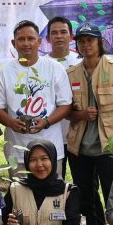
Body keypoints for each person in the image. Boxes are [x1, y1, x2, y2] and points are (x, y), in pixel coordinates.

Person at [65, 24, 113, 225]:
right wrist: (81, 114)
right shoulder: (71, 73)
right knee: (85, 198)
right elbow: (68, 112)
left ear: (99, 42)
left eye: (90, 40)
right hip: (79, 148)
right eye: (81, 41)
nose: (86, 45)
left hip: (109, 146)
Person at [0, 20, 71, 176]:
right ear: (14, 43)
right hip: (17, 152)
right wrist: (10, 122)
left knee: (52, 196)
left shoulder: (54, 68)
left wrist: (46, 121)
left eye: (31, 39)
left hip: (51, 150)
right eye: (21, 39)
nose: (26, 43)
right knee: (20, 197)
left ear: (39, 41)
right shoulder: (4, 72)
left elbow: (65, 105)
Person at [46, 16, 81, 180]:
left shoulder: (81, 61)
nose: (59, 36)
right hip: (51, 135)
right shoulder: (41, 64)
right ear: (47, 38)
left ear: (71, 36)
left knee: (84, 183)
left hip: (78, 135)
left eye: (63, 32)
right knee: (54, 181)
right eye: (54, 33)